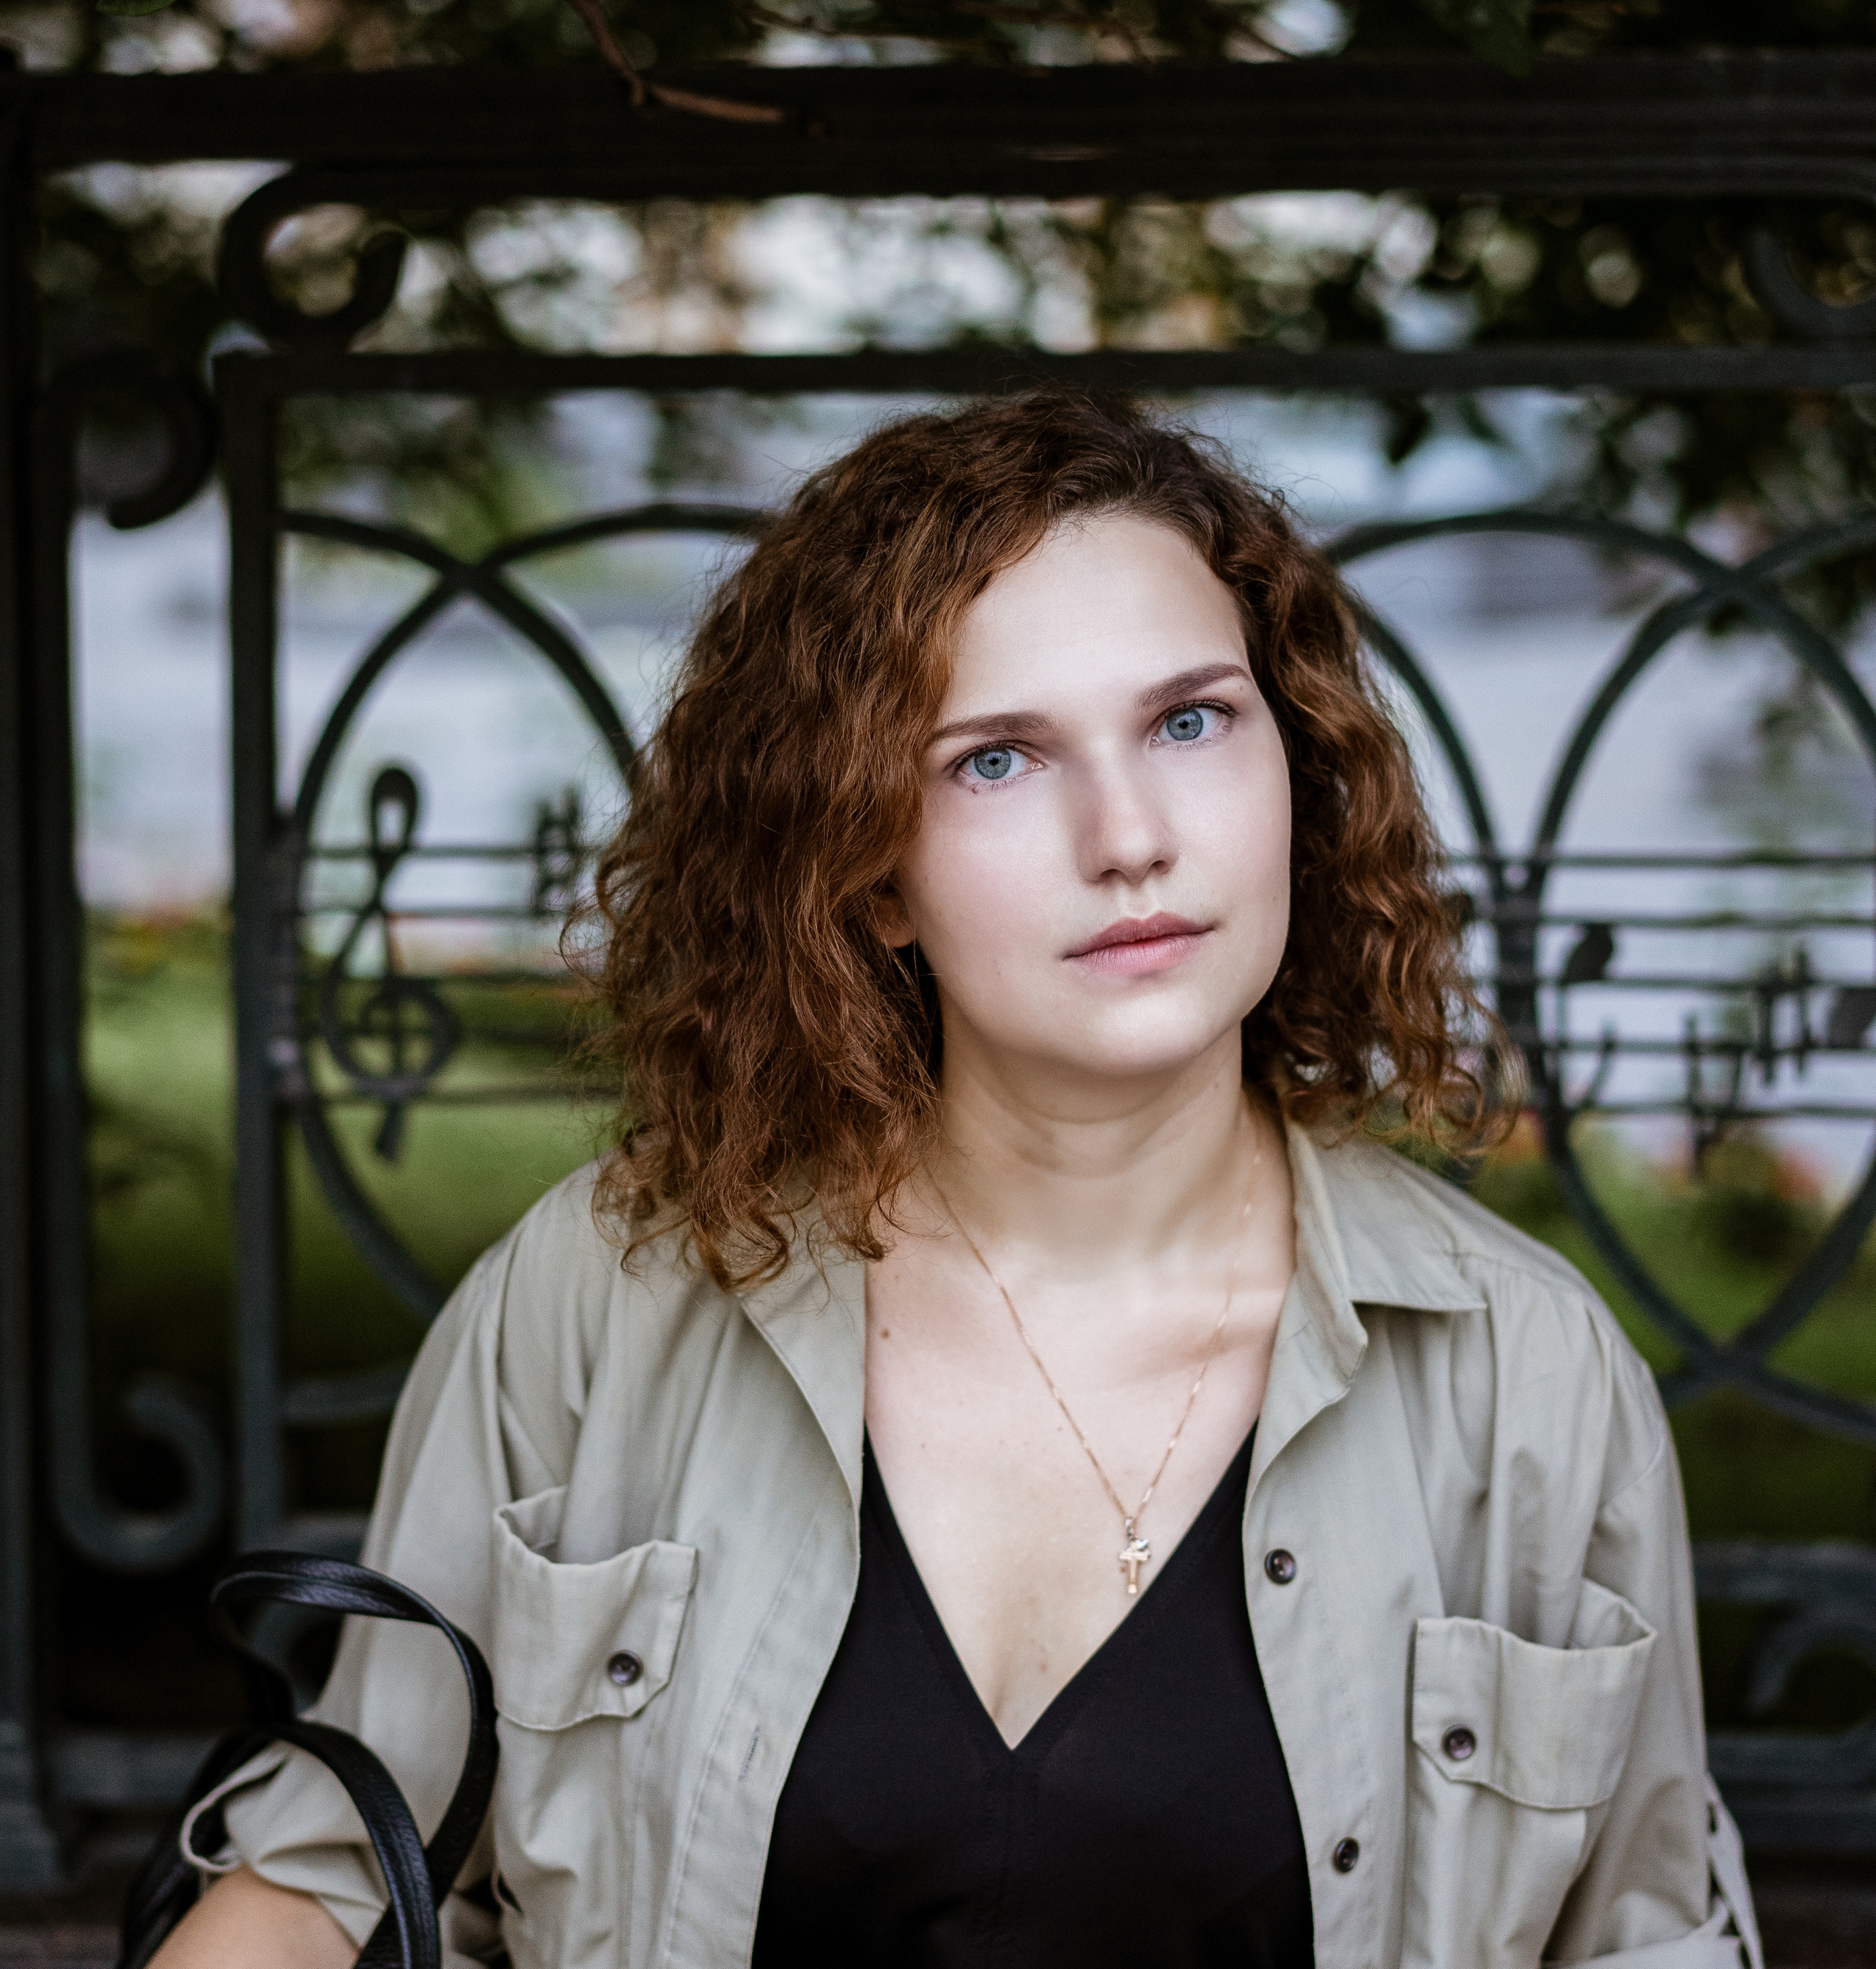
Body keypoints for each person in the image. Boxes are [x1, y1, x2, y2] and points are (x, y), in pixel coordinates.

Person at [153, 394, 1762, 1969]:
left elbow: (1648, 1940)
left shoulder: (1527, 1378)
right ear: (866, 875)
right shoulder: (598, 1294)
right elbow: (324, 1886)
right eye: (995, 760)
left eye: (1191, 720)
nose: (1129, 835)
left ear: (1300, 768)